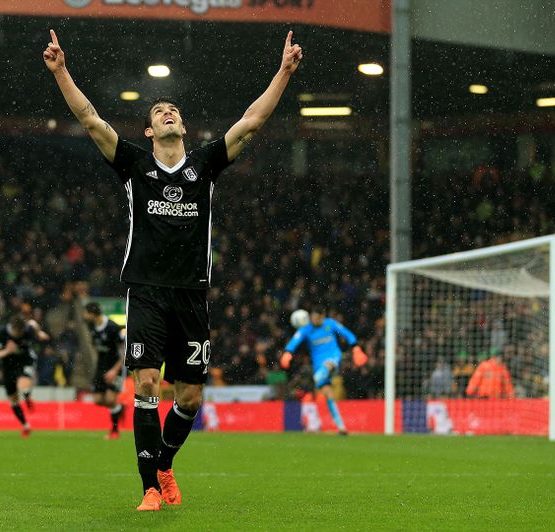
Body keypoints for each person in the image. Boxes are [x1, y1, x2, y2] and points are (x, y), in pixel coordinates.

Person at [44, 28, 302, 511]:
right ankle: (148, 487)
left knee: (188, 399)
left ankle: (164, 463)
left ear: (183, 127)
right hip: (145, 291)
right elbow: (89, 118)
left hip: (191, 294)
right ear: (149, 131)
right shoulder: (134, 164)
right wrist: (61, 72)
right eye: (159, 112)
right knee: (145, 386)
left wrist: (283, 72)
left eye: (174, 111)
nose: (168, 113)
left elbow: (251, 122)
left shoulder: (204, 164)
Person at [281, 306, 360, 436]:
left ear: (322, 316)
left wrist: (355, 347)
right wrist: (288, 353)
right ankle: (341, 427)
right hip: (318, 365)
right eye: (312, 316)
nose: (313, 319)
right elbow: (296, 340)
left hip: (333, 358)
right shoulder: (307, 329)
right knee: (329, 394)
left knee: (324, 369)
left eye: (316, 317)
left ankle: (322, 374)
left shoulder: (330, 324)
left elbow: (347, 334)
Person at [0, 314, 50, 438]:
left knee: (22, 385)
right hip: (9, 364)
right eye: (18, 333)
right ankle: (26, 425)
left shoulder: (27, 328)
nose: (20, 335)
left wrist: (39, 333)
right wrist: (7, 351)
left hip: (25, 360)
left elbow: (32, 322)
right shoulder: (2, 333)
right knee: (13, 399)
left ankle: (27, 396)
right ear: (13, 328)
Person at [83, 302, 127, 439]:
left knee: (109, 398)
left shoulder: (112, 328)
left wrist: (115, 370)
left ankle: (114, 431)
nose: (84, 316)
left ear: (92, 314)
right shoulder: (91, 327)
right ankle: (119, 408)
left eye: (86, 313)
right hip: (101, 367)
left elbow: (125, 351)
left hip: (116, 367)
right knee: (97, 400)